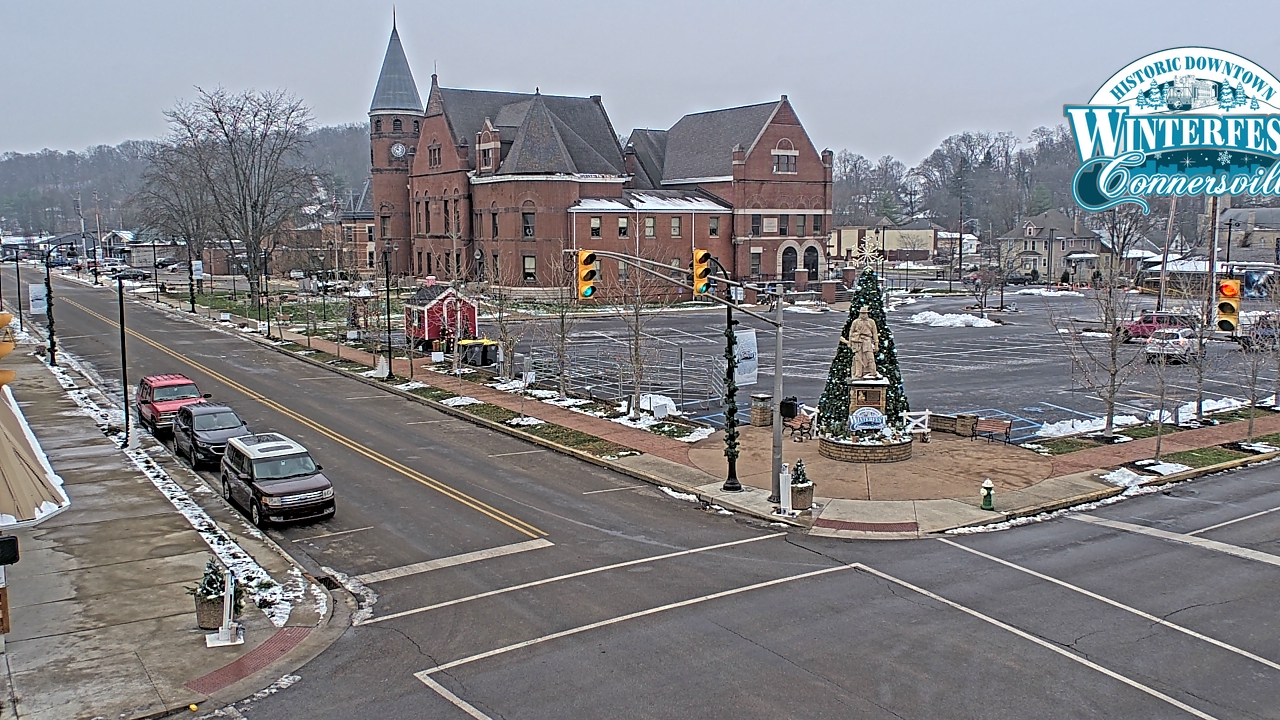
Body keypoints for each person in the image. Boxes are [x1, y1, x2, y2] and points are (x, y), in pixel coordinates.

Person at [841, 306, 880, 379]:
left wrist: (876, 344)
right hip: (857, 341)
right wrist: (850, 342)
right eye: (862, 313)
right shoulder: (855, 322)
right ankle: (858, 373)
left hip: (867, 341)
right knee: (858, 358)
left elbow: (875, 333)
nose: (863, 315)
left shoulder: (871, 322)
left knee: (870, 357)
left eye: (865, 313)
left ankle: (873, 372)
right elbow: (851, 332)